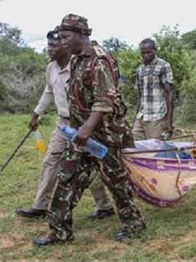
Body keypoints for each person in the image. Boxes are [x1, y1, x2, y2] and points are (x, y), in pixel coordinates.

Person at [33, 14, 145, 246]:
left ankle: (133, 223)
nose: (63, 42)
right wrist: (76, 130)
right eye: (61, 37)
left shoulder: (99, 60)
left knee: (117, 183)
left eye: (66, 37)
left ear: (82, 34)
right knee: (67, 177)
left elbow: (105, 100)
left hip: (105, 137)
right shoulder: (76, 60)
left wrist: (86, 129)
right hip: (81, 135)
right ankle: (59, 231)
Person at [15, 29, 115, 220]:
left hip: (83, 123)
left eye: (54, 45)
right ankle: (40, 206)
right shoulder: (51, 68)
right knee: (51, 161)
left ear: (65, 45)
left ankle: (104, 206)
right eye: (49, 45)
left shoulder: (80, 65)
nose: (49, 49)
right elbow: (48, 92)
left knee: (90, 165)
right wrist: (36, 113)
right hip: (63, 123)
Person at [133, 38, 174, 140]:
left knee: (156, 150)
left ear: (155, 50)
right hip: (141, 116)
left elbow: (169, 94)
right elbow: (140, 95)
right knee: (136, 148)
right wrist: (135, 117)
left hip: (157, 117)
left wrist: (169, 121)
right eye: (143, 53)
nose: (146, 55)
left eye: (149, 52)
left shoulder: (163, 66)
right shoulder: (140, 69)